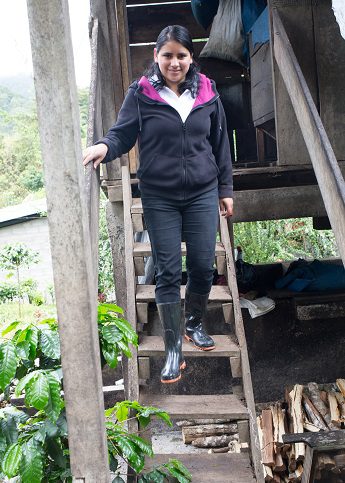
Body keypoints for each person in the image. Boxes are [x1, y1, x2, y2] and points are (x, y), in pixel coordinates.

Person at [83, 25, 233, 385]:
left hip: (201, 192)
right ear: (156, 56)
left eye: (181, 55)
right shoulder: (142, 93)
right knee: (166, 270)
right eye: (167, 55)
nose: (175, 62)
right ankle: (172, 350)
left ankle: (194, 324)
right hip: (160, 196)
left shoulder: (208, 93)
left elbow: (220, 143)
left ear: (191, 57)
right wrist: (104, 146)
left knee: (200, 264)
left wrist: (225, 188)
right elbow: (122, 132)